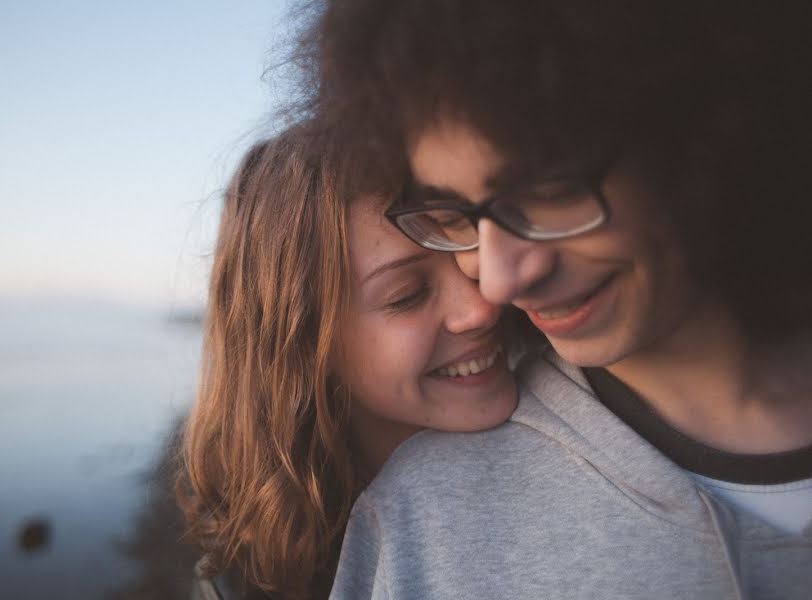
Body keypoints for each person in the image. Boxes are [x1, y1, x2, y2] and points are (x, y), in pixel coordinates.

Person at [294, 1, 812, 598]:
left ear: (693, 140)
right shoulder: (424, 522)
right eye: (453, 215)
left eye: (549, 192)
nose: (497, 282)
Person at [178, 123, 521, 599]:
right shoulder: (244, 575)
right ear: (299, 342)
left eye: (471, 257)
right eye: (407, 295)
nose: (483, 306)